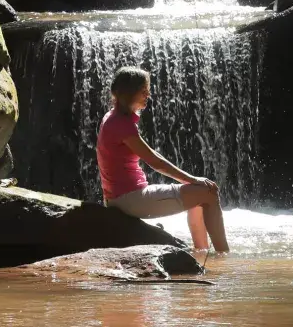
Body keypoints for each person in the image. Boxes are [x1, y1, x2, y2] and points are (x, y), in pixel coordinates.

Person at [96, 66, 230, 253]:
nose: (148, 95)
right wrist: (192, 180)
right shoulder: (121, 124)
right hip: (130, 199)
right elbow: (155, 161)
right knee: (208, 193)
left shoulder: (112, 117)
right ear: (129, 93)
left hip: (122, 197)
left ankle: (202, 252)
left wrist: (190, 181)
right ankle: (223, 256)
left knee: (200, 195)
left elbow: (154, 156)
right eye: (144, 91)